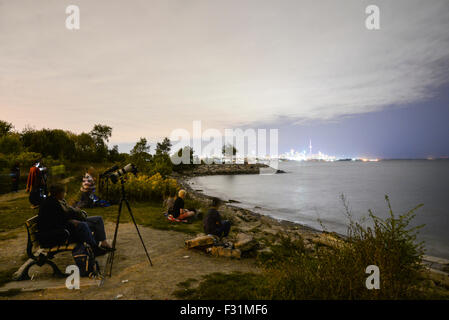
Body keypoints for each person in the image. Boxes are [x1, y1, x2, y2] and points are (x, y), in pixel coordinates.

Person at [37, 183, 113, 253]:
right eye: (64, 192)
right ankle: (94, 249)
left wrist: (75, 213)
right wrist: (72, 219)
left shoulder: (59, 200)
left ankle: (103, 243)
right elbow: (57, 220)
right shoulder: (51, 203)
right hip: (56, 234)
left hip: (66, 225)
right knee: (83, 225)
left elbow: (66, 213)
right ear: (59, 193)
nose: (65, 194)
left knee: (97, 219)